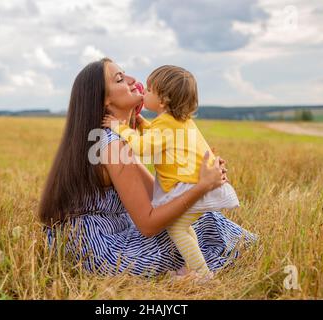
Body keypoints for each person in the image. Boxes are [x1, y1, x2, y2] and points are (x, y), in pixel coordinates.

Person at [38, 57, 256, 278]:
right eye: (120, 79)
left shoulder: (116, 137)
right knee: (206, 225)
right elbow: (149, 224)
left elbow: (160, 197)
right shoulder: (111, 144)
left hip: (108, 236)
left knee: (203, 218)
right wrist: (201, 187)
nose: (133, 80)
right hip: (105, 252)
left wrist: (197, 172)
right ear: (104, 99)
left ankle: (204, 266)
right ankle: (202, 275)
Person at [102, 65, 240, 277]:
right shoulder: (177, 121)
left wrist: (120, 128)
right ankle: (196, 266)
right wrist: (141, 125)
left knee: (176, 228)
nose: (143, 92)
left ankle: (202, 275)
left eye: (148, 90)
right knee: (183, 227)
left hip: (191, 185)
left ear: (163, 100)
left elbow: (143, 147)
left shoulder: (166, 125)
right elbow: (158, 138)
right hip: (193, 182)